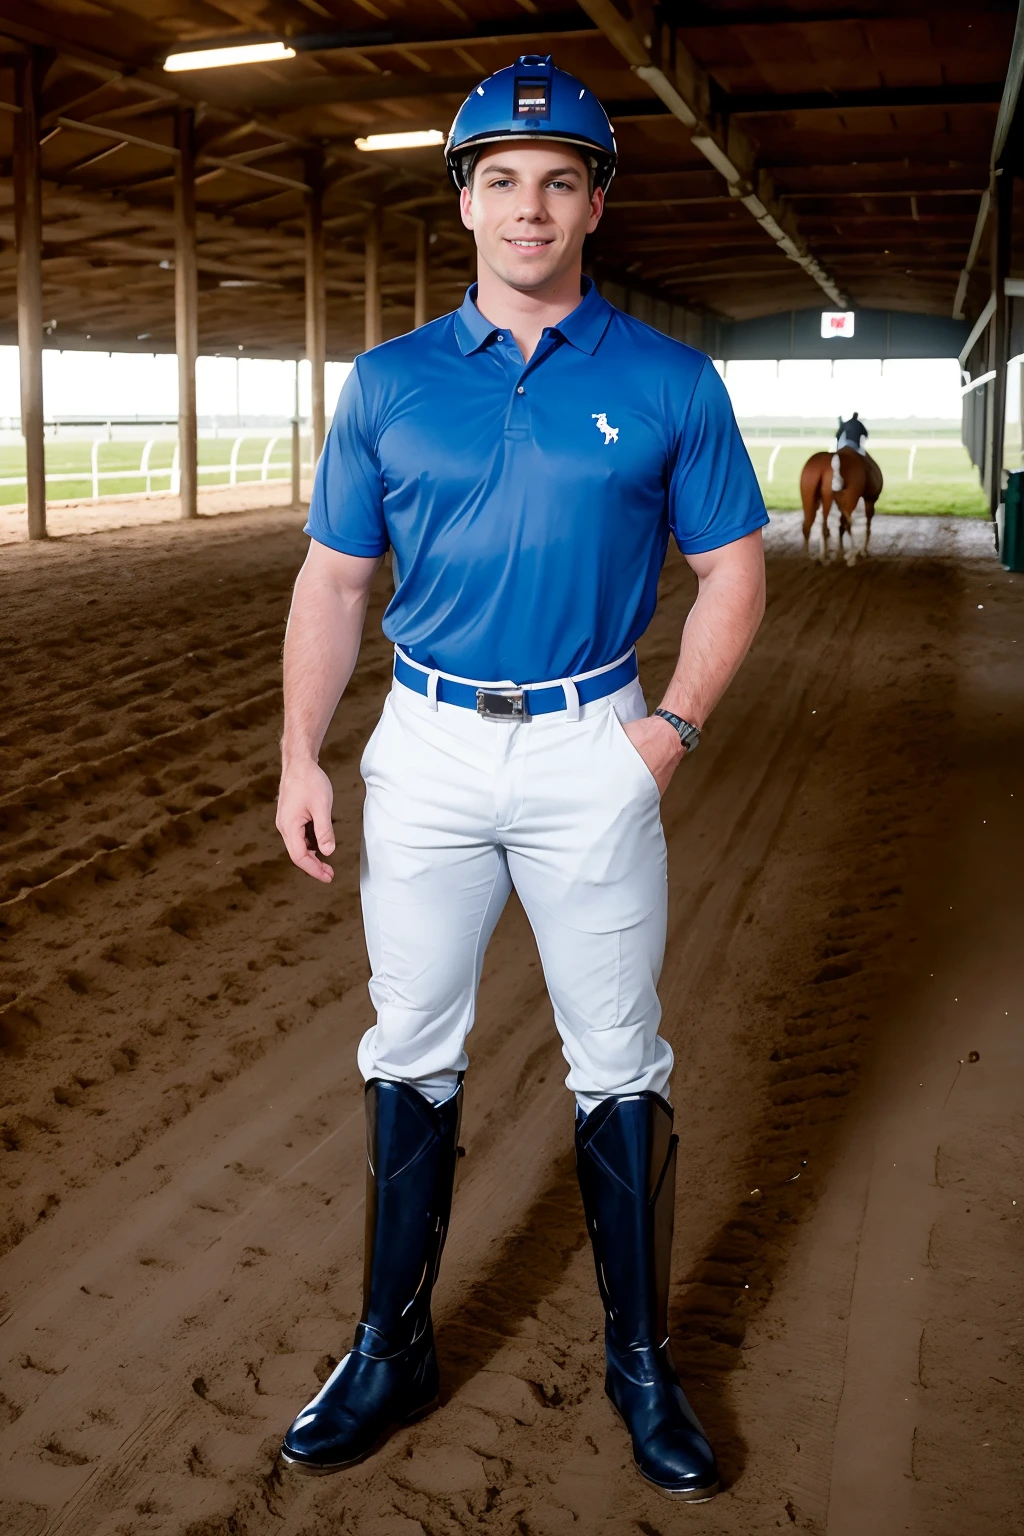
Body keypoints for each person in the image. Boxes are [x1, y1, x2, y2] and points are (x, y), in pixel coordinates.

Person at [274, 53, 767, 1503]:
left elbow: (734, 568)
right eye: (502, 181)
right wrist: (301, 751)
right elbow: (333, 577)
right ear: (468, 202)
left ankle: (641, 1364)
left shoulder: (670, 380)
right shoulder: (389, 382)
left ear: (595, 203)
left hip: (588, 744)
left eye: (559, 182)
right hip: (422, 746)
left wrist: (666, 731)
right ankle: (390, 1345)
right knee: (408, 1040)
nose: (529, 207)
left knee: (618, 1056)